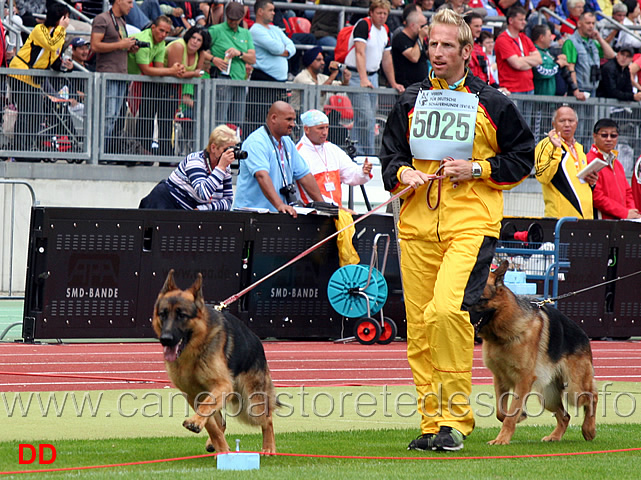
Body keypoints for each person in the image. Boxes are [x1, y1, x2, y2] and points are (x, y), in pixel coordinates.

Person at [380, 9, 535, 452]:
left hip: (471, 222)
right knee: (421, 329)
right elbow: (390, 155)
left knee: (447, 312)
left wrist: (478, 167)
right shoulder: (409, 99)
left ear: (467, 51)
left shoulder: (494, 101)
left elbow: (522, 156)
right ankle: (433, 425)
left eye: (449, 45)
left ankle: (455, 420)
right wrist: (403, 173)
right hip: (416, 225)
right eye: (433, 44)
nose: (439, 52)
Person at [232, 101, 324, 217]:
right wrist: (280, 205)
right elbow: (262, 176)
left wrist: (323, 207)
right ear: (274, 118)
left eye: (293, 120)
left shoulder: (287, 142)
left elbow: (305, 175)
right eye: (288, 119)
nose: (293, 124)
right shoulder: (256, 142)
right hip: (252, 216)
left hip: (277, 214)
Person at [8, 4, 72, 154]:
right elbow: (50, 45)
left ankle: (29, 148)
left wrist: (65, 65)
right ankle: (20, 151)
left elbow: (54, 59)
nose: (67, 21)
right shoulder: (39, 30)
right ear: (58, 18)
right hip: (20, 74)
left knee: (36, 114)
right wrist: (61, 29)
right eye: (65, 17)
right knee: (26, 113)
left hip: (35, 79)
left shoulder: (58, 35)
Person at [345, 0, 405, 156]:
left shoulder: (385, 30)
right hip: (358, 75)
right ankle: (367, 154)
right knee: (366, 117)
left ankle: (357, 151)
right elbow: (360, 52)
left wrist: (393, 82)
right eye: (379, 13)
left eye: (385, 13)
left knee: (366, 117)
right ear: (371, 13)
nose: (382, 16)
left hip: (373, 75)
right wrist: (363, 78)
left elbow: (387, 58)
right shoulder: (364, 25)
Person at [139, 124, 237, 210]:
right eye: (226, 150)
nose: (229, 154)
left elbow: (228, 202)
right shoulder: (195, 161)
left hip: (188, 212)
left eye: (232, 149)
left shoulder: (224, 167)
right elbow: (203, 194)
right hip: (166, 204)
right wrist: (220, 168)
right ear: (213, 148)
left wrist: (204, 208)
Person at [128, 15, 186, 156]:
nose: (163, 35)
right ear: (153, 28)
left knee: (149, 116)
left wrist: (175, 70)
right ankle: (137, 150)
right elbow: (146, 70)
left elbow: (159, 68)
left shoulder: (161, 43)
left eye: (166, 32)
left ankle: (151, 152)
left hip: (130, 79)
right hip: (122, 75)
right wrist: (172, 70)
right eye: (161, 31)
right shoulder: (144, 40)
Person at [295, 109, 372, 206]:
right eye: (320, 128)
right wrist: (334, 208)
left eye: (327, 127)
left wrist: (363, 171)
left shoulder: (333, 149)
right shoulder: (299, 153)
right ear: (307, 129)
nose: (324, 132)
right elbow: (307, 192)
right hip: (311, 215)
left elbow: (350, 172)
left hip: (336, 213)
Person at [91, 0, 139, 155]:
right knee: (107, 116)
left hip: (120, 74)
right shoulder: (102, 19)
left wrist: (129, 48)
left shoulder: (121, 21)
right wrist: (120, 45)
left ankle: (103, 151)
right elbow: (95, 45)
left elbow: (119, 45)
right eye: (129, 2)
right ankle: (98, 151)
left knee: (114, 116)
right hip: (107, 74)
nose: (131, 6)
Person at [535, 105, 597, 219]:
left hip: (585, 220)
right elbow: (542, 177)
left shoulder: (579, 148)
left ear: (577, 124)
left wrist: (592, 182)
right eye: (562, 121)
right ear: (554, 124)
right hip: (560, 221)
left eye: (571, 121)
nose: (567, 124)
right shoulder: (546, 144)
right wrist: (556, 150)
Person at [246, 0, 296, 131]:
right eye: (270, 10)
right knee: (258, 121)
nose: (274, 13)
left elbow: (292, 46)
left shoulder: (275, 29)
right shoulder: (255, 30)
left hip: (279, 84)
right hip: (263, 82)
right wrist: (284, 51)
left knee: (278, 123)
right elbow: (277, 48)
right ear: (260, 11)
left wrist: (285, 50)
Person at [208, 1, 255, 132]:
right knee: (219, 119)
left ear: (241, 18)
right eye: (230, 19)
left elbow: (252, 58)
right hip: (222, 79)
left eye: (235, 20)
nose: (232, 22)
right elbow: (201, 51)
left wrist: (239, 53)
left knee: (237, 120)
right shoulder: (215, 30)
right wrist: (214, 59)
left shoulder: (246, 33)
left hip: (239, 80)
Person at [586, 119, 641, 219]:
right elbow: (596, 197)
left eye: (613, 135)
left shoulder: (617, 164)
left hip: (620, 221)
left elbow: (628, 192)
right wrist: (624, 213)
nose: (609, 139)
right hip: (602, 223)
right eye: (604, 135)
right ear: (594, 136)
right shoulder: (589, 161)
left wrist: (631, 211)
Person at [562, 11, 615, 100]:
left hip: (593, 88)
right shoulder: (571, 42)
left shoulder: (593, 42)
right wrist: (575, 90)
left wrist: (599, 38)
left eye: (593, 23)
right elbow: (570, 68)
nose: (591, 26)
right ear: (579, 23)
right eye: (588, 23)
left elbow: (611, 55)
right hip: (579, 90)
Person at [494, 6, 542, 95]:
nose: (524, 22)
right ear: (511, 20)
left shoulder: (524, 38)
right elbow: (517, 64)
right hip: (512, 90)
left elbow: (539, 60)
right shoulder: (503, 40)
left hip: (529, 88)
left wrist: (520, 59)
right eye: (521, 20)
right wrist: (530, 62)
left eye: (524, 19)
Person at [391, 10, 430, 88]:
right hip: (407, 86)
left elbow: (427, 55)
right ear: (412, 25)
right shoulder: (400, 38)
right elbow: (414, 57)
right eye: (422, 26)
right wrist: (421, 37)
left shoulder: (417, 38)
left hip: (420, 85)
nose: (424, 29)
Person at [532, 24, 569, 95]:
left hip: (551, 99)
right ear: (541, 37)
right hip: (540, 100)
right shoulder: (535, 53)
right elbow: (541, 73)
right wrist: (558, 65)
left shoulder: (547, 52)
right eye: (549, 36)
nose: (551, 39)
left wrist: (557, 60)